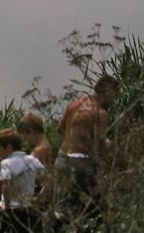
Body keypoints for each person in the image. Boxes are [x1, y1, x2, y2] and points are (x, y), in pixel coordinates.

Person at [54, 74, 120, 225]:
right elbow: (101, 146)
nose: (114, 101)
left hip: (62, 160)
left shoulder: (74, 104)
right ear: (107, 92)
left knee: (66, 204)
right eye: (114, 96)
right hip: (81, 165)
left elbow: (61, 129)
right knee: (99, 206)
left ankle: (57, 225)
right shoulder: (100, 113)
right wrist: (116, 145)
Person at [0, 128, 45, 232]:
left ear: (8, 147)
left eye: (0, 147)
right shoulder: (32, 160)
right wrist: (39, 198)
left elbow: (6, 186)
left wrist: (7, 209)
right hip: (29, 209)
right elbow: (48, 179)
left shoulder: (6, 163)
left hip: (12, 210)